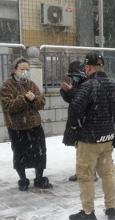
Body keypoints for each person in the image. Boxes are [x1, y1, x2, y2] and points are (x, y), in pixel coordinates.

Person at [68, 52, 115, 220]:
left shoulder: (88, 86)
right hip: (107, 138)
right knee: (108, 174)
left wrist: (76, 126)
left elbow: (75, 111)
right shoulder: (114, 85)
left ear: (89, 67)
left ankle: (88, 212)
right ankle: (111, 208)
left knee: (85, 175)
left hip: (88, 140)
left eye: (85, 67)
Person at [0, 58, 51, 191]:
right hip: (17, 127)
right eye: (22, 69)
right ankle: (22, 179)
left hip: (35, 125)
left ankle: (39, 178)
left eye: (27, 69)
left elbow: (41, 103)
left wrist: (34, 99)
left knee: (40, 152)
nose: (25, 72)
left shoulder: (31, 84)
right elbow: (8, 106)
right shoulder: (7, 86)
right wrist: (24, 99)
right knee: (20, 154)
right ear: (15, 70)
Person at [59, 61, 90, 182]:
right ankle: (80, 171)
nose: (74, 78)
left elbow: (82, 99)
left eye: (75, 75)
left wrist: (71, 91)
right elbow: (72, 100)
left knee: (87, 149)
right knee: (79, 148)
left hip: (85, 121)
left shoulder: (88, 83)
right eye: (72, 76)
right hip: (76, 119)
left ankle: (90, 173)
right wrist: (64, 91)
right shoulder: (77, 83)